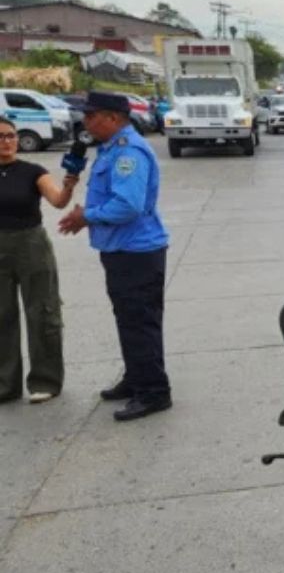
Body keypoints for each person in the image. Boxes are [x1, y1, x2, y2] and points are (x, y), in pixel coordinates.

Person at [57, 91, 172, 422]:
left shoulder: (128, 153)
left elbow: (128, 204)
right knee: (129, 318)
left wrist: (87, 216)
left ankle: (153, 391)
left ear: (112, 118)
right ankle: (137, 377)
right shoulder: (110, 148)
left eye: (91, 116)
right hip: (121, 249)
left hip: (137, 252)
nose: (86, 122)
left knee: (140, 322)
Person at [0, 116, 80, 404]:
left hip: (30, 244)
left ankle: (45, 381)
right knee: (2, 315)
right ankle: (5, 385)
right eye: (1, 137)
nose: (7, 142)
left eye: (11, 136)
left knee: (42, 311)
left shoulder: (32, 171)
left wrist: (69, 186)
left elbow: (58, 201)